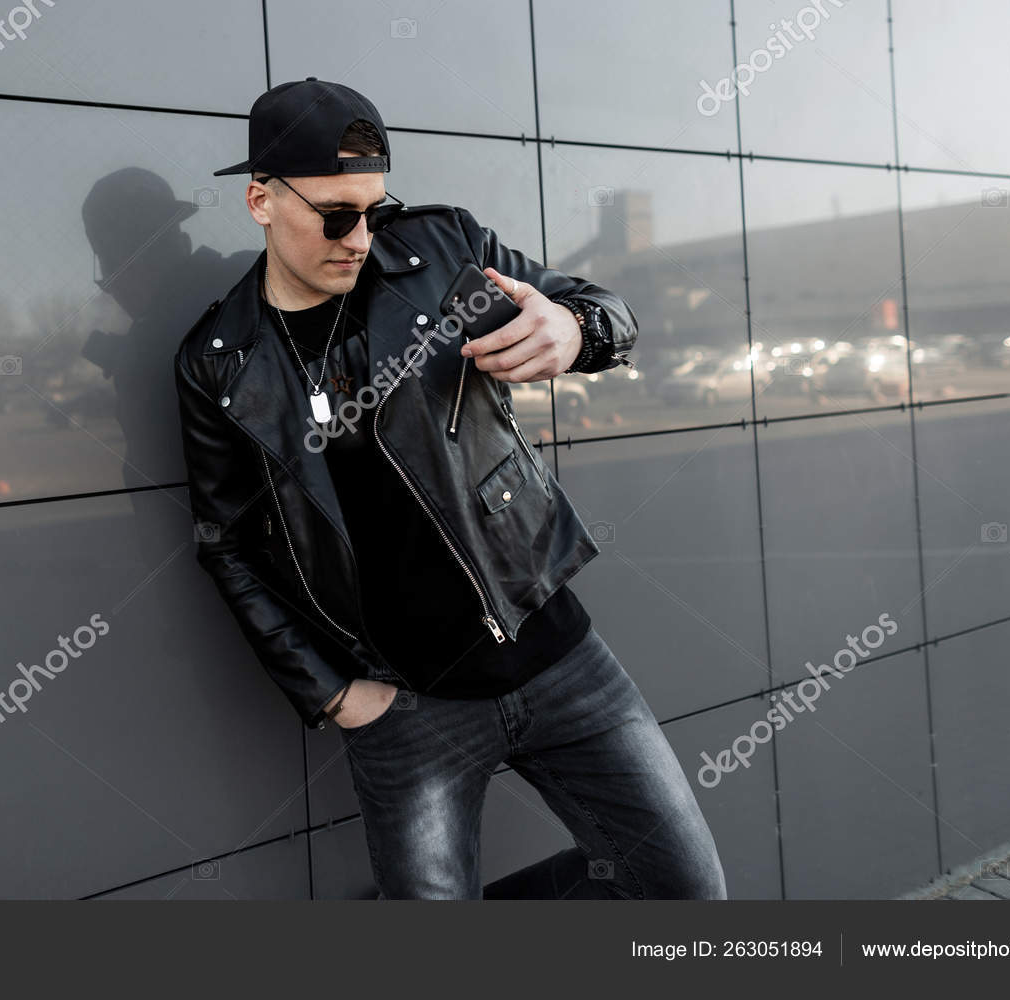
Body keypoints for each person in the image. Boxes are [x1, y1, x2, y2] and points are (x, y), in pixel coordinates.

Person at [173, 77, 725, 900]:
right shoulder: (219, 362)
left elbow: (598, 308)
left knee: (684, 891)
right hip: (408, 712)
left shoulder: (440, 253)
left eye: (372, 207)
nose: (359, 237)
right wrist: (333, 695)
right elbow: (227, 547)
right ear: (261, 199)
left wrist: (577, 331)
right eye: (334, 214)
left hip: (561, 661)